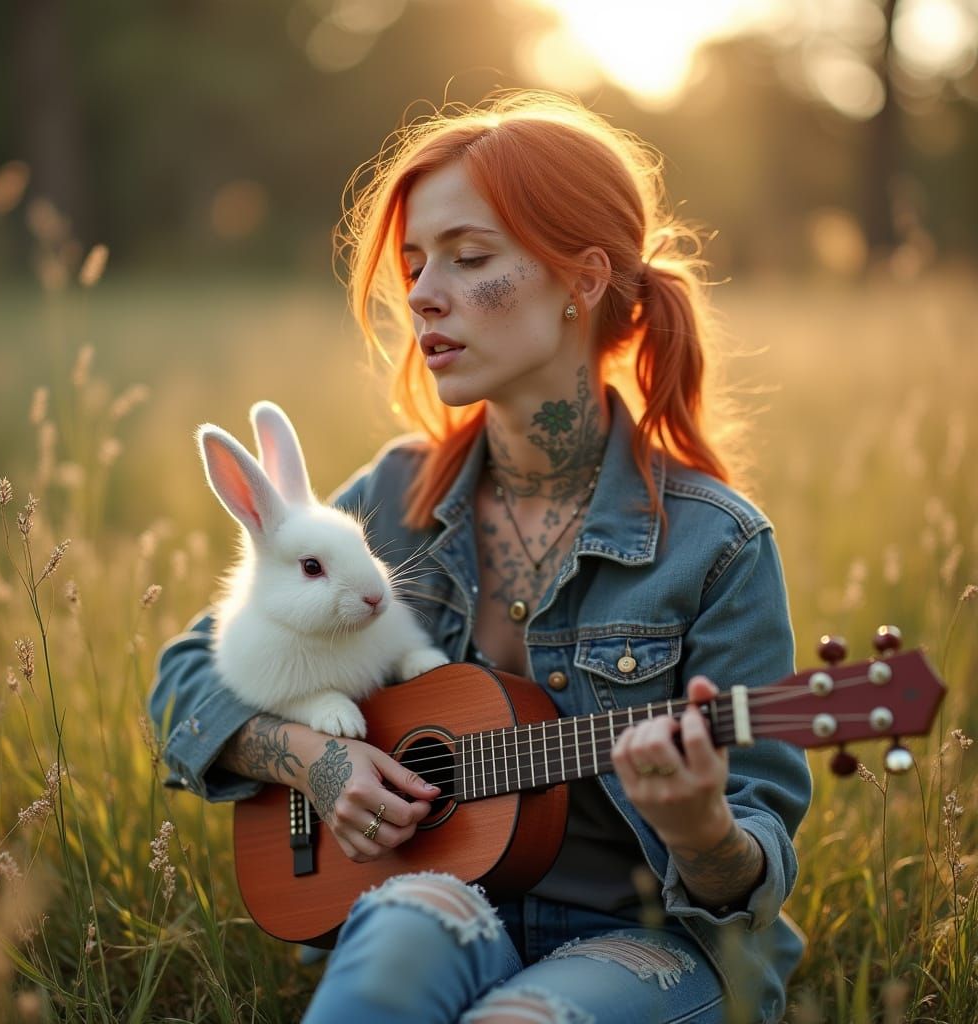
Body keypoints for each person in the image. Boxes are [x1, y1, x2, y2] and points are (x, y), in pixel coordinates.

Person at [149, 91, 811, 1024]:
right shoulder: (394, 498)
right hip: (450, 897)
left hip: (652, 939)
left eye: (468, 259)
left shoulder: (718, 545)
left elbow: (751, 873)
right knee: (386, 959)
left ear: (579, 280)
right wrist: (309, 759)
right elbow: (185, 677)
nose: (420, 293)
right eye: (415, 264)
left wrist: (703, 831)